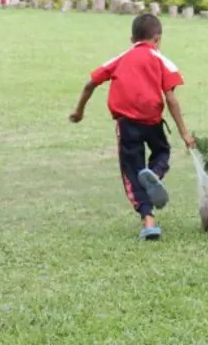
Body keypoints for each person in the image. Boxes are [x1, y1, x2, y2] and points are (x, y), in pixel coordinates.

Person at [69, 13, 195, 240]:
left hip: (126, 124)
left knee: (132, 172)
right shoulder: (161, 60)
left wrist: (79, 111)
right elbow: (171, 98)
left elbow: (91, 83)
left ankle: (149, 223)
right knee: (162, 152)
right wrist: (184, 133)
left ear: (132, 39)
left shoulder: (121, 58)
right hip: (152, 121)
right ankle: (155, 173)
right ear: (157, 39)